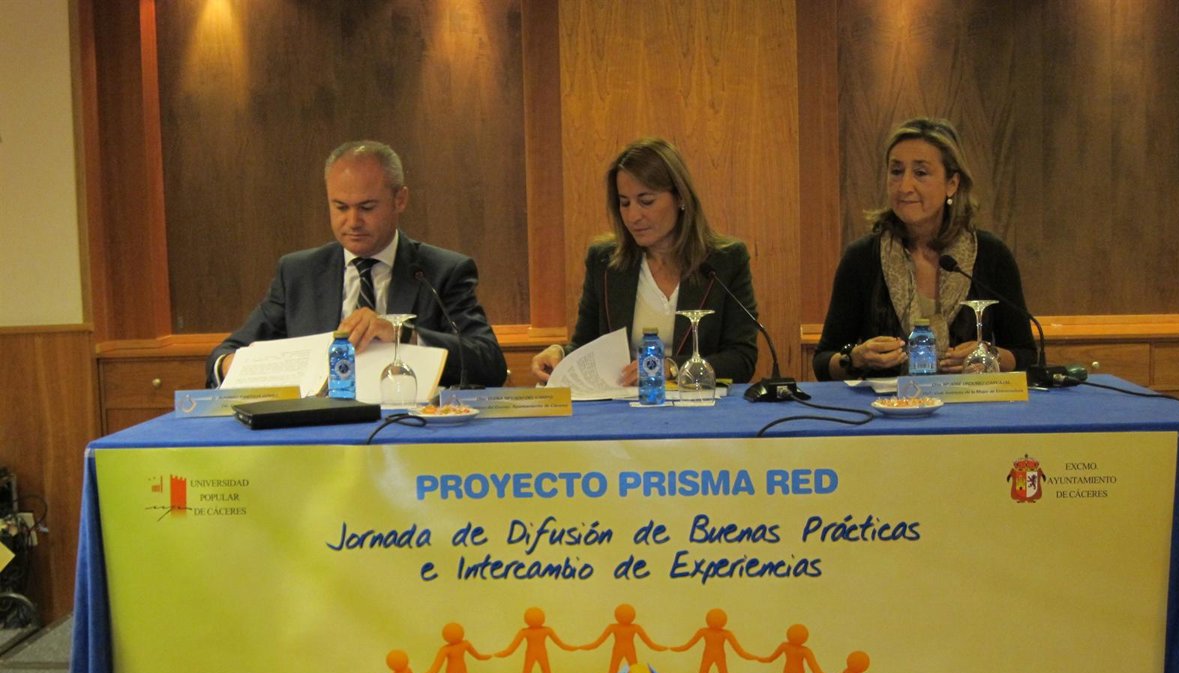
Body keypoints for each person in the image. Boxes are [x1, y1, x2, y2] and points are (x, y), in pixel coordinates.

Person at [206, 140, 508, 388]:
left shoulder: (441, 271)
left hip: (409, 427)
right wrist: (234, 367)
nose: (352, 222)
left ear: (400, 200)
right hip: (315, 431)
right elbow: (224, 355)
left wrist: (403, 335)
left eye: (366, 207)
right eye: (340, 207)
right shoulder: (298, 273)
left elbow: (489, 364)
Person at [813, 118, 1036, 380]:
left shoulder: (991, 254)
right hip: (889, 404)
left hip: (969, 403)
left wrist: (990, 355)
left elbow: (1027, 356)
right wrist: (856, 358)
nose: (905, 186)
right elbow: (823, 362)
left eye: (920, 173)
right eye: (896, 172)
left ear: (952, 184)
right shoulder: (862, 258)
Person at [530, 137, 759, 385]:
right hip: (624, 404)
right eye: (624, 203)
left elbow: (741, 359)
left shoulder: (725, 261)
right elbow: (587, 345)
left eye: (646, 201)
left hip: (698, 404)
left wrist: (671, 368)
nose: (633, 216)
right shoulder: (604, 262)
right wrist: (560, 354)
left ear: (680, 198)